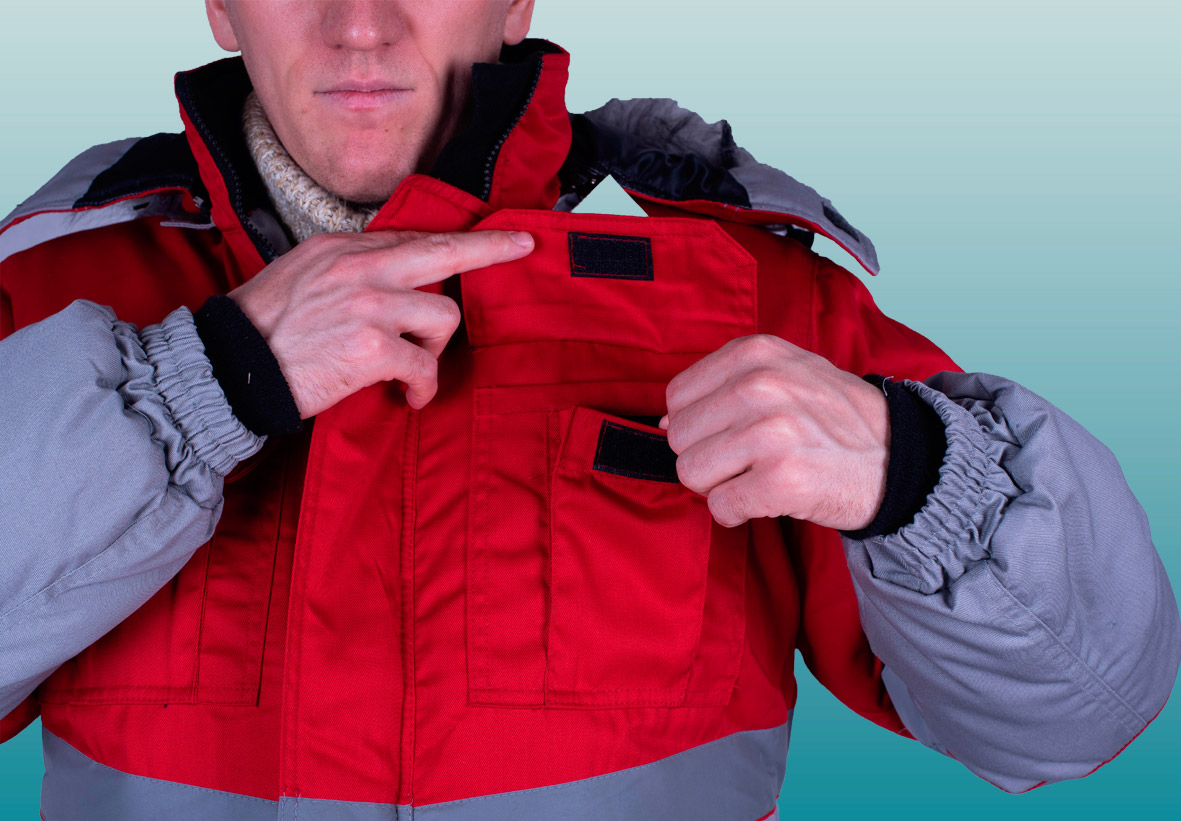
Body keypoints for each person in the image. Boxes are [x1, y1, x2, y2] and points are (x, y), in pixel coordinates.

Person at [0, 1, 1177, 818]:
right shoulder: (57, 297)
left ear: (515, 2)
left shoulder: (740, 294)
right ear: (220, 6)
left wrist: (916, 473)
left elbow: (1078, 714)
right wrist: (199, 385)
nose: (360, 24)